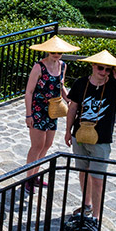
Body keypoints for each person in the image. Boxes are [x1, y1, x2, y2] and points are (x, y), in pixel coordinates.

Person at [65, 50, 116, 220]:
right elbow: (73, 108)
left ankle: (96, 216)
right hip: (80, 136)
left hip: (102, 140)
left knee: (98, 178)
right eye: (100, 68)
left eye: (107, 69)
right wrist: (68, 132)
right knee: (83, 172)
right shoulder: (80, 83)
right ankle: (86, 205)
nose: (103, 72)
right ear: (93, 66)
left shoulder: (113, 85)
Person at [23, 35, 79, 191]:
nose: (57, 54)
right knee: (37, 145)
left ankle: (36, 175)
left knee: (47, 145)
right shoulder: (38, 67)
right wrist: (29, 115)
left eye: (59, 51)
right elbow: (29, 92)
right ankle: (28, 177)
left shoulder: (62, 65)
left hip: (53, 110)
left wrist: (70, 99)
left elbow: (61, 86)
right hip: (38, 109)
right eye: (54, 51)